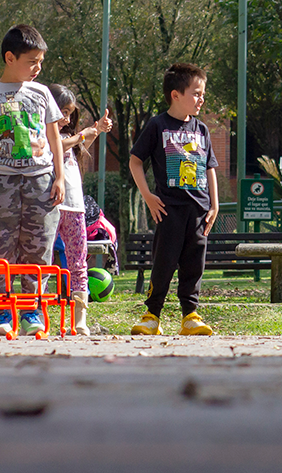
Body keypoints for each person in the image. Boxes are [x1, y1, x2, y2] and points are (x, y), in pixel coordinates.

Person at [0, 25, 66, 337]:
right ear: (10, 58)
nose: (38, 68)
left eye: (41, 62)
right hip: (0, 182)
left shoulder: (42, 93)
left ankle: (30, 311)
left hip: (40, 181)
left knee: (38, 248)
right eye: (32, 62)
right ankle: (3, 312)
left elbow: (54, 137)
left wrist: (60, 178)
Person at [128, 63, 219, 336]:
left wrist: (214, 205)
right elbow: (135, 161)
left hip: (199, 211)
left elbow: (210, 167)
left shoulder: (201, 129)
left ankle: (190, 316)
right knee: (164, 264)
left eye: (203, 94)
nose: (201, 99)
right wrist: (148, 196)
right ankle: (151, 316)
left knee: (194, 265)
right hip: (169, 211)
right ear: (176, 95)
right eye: (196, 93)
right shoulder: (157, 125)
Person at [47, 84, 113, 336]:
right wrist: (83, 135)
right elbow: (56, 145)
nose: (65, 118)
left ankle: (80, 320)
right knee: (43, 263)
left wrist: (96, 130)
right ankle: (38, 316)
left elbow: (79, 145)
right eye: (62, 112)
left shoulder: (70, 136)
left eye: (69, 113)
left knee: (78, 263)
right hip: (49, 208)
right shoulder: (42, 135)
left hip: (75, 207)